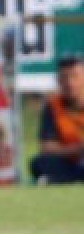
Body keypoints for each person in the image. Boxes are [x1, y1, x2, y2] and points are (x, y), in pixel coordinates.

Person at [30, 56, 84, 184]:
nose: (70, 83)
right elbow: (47, 147)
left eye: (75, 76)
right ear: (58, 80)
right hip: (70, 161)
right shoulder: (53, 107)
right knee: (40, 163)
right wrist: (79, 149)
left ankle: (56, 180)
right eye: (64, 77)